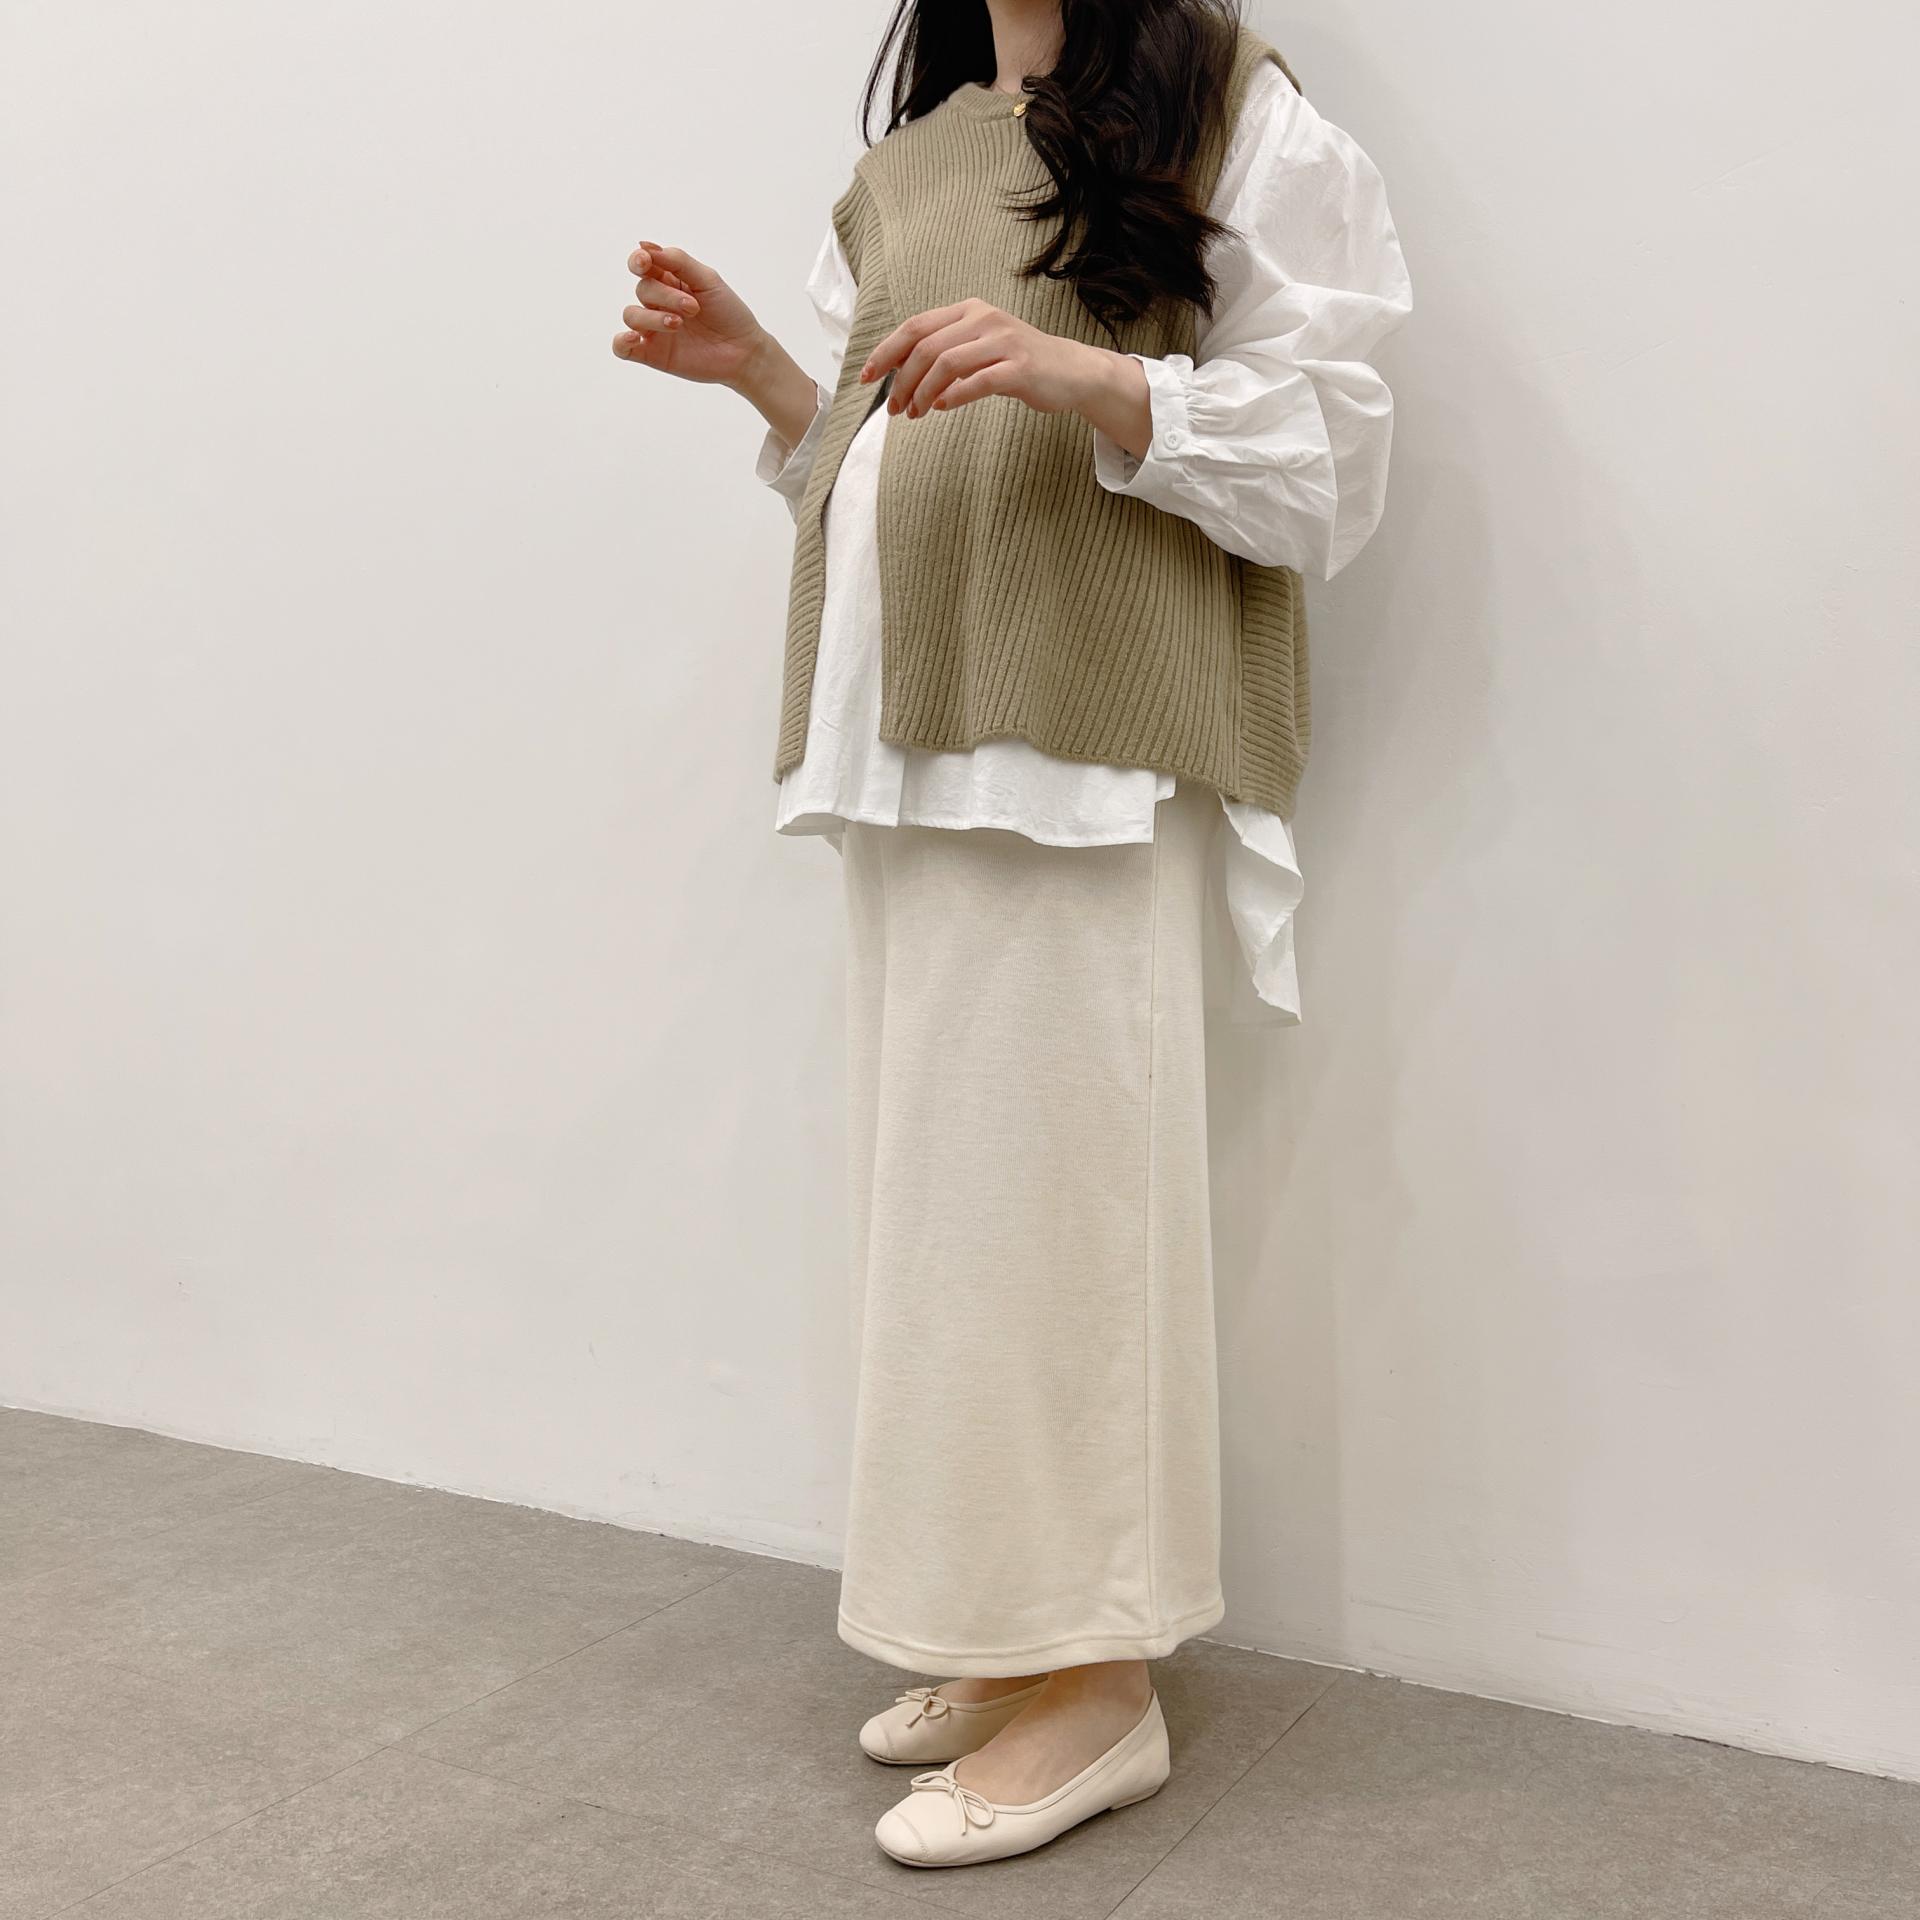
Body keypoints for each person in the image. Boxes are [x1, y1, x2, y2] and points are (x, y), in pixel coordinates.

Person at [613, 0, 1411, 1869]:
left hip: (1085, 737)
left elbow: (1333, 454)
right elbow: (873, 464)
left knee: (1066, 1217)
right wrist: (764, 377)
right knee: (957, 1229)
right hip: (913, 745)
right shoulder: (904, 168)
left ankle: (1102, 1682)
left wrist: (1080, 376)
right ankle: (1014, 1632)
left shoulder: (1229, 107)